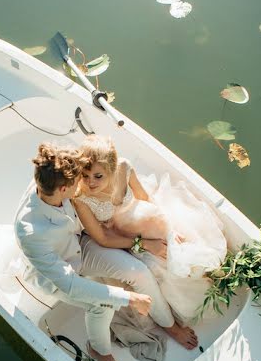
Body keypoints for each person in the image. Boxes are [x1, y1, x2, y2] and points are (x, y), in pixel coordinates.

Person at [14, 143, 175, 361]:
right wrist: (129, 298)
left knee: (137, 270)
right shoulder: (31, 233)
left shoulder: (52, 174)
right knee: (102, 304)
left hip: (81, 243)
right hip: (58, 271)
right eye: (78, 180)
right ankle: (100, 351)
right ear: (63, 190)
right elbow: (70, 284)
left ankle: (168, 323)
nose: (84, 183)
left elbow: (100, 159)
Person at [74, 136, 227, 326]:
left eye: (98, 176)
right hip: (125, 238)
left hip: (145, 221)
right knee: (159, 263)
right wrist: (144, 243)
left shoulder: (123, 168)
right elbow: (103, 239)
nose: (91, 183)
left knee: (182, 239)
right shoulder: (81, 198)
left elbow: (144, 198)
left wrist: (167, 227)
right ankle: (178, 307)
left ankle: (208, 272)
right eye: (85, 175)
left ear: (111, 169)